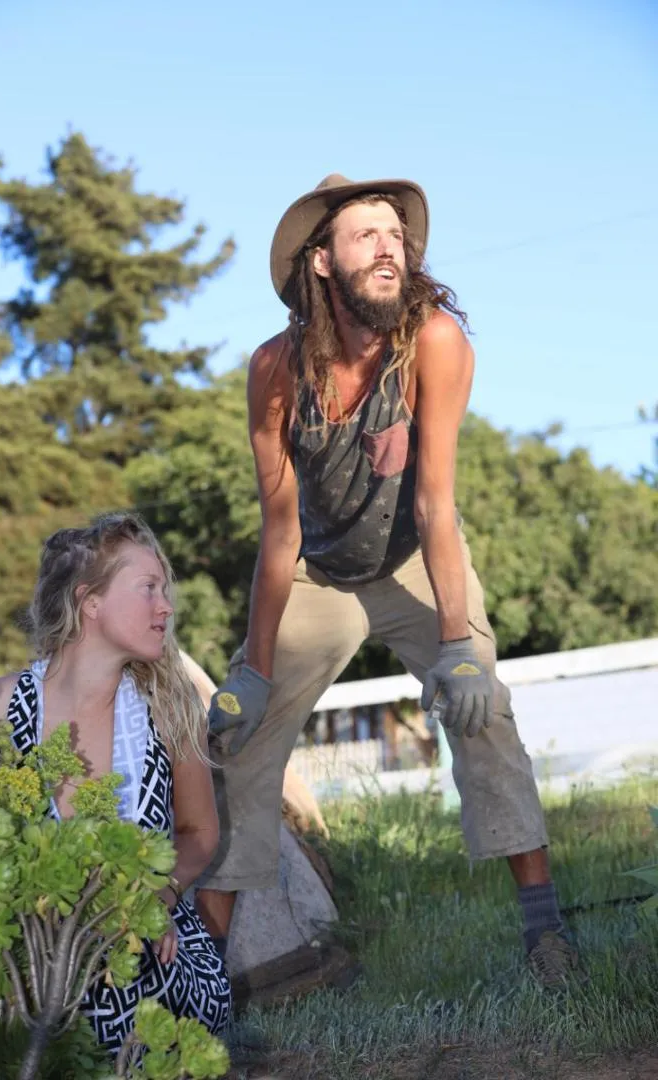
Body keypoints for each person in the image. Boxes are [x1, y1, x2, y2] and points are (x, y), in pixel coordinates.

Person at [195, 174, 579, 988]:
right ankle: (199, 976)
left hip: (415, 557)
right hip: (320, 575)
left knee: (485, 713)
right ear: (323, 262)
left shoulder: (435, 342)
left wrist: (459, 650)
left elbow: (438, 504)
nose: (388, 247)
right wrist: (256, 671)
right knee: (242, 745)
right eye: (367, 233)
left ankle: (547, 938)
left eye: (396, 236)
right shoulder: (276, 368)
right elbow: (279, 530)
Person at [0, 512, 231, 1052]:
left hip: (155, 947)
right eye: (148, 589)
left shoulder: (171, 707)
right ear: (90, 601)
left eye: (164, 589)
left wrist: (149, 899)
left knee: (115, 978)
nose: (167, 606)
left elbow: (200, 833)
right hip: (31, 945)